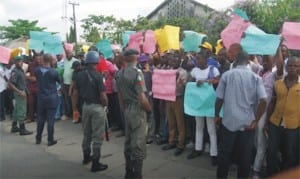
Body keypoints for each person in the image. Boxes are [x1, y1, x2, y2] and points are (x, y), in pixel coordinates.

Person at [215, 51, 267, 178]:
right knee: (245, 157)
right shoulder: (256, 78)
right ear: (248, 62)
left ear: (236, 61)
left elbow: (219, 99)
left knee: (224, 155)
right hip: (247, 123)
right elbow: (264, 100)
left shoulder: (227, 75)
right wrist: (256, 120)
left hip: (229, 121)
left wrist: (216, 115)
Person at [116, 49, 151, 179]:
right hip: (137, 109)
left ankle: (128, 171)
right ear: (135, 57)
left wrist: (125, 109)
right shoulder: (137, 73)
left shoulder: (119, 73)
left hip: (127, 109)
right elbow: (142, 98)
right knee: (139, 143)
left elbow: (119, 95)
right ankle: (137, 175)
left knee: (129, 141)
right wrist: (149, 110)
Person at [72, 51, 108, 172]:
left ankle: (86, 157)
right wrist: (106, 105)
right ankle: (96, 163)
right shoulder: (98, 76)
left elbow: (75, 93)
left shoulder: (79, 75)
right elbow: (103, 96)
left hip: (85, 107)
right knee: (97, 136)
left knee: (86, 134)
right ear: (96, 62)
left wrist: (75, 107)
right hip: (97, 107)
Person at [252, 48, 283, 178]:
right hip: (253, 110)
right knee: (255, 141)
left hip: (264, 112)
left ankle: (256, 171)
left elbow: (281, 67)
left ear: (273, 62)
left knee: (261, 142)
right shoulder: (258, 71)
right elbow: (249, 57)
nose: (264, 62)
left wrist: (279, 47)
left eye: (267, 60)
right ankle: (263, 164)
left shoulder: (274, 74)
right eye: (263, 60)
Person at [266, 56, 300, 176]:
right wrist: (266, 122)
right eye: (290, 65)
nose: (292, 68)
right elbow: (272, 103)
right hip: (275, 123)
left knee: (290, 154)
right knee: (271, 152)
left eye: (296, 66)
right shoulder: (278, 84)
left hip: (293, 126)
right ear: (286, 67)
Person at [187, 52, 220, 166]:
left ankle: (214, 154)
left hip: (210, 104)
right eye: (197, 59)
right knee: (199, 127)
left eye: (200, 59)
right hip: (198, 104)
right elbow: (189, 82)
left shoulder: (213, 70)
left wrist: (207, 82)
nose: (198, 61)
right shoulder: (195, 70)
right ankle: (198, 149)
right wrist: (193, 82)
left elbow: (218, 81)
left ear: (206, 59)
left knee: (211, 129)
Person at [161, 52, 187, 156]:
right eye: (171, 61)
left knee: (180, 122)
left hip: (178, 98)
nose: (173, 62)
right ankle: (172, 141)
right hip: (168, 98)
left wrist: (176, 79)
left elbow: (183, 87)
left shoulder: (183, 72)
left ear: (179, 61)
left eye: (175, 61)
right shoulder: (168, 71)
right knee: (171, 121)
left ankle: (181, 144)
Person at [35, 54, 61, 146]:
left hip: (41, 98)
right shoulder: (54, 72)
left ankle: (38, 138)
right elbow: (59, 82)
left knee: (40, 118)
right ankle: (50, 139)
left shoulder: (37, 70)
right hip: (51, 97)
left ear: (43, 60)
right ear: (50, 60)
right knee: (50, 119)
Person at [8, 56, 33, 135]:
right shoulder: (15, 71)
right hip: (19, 92)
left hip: (22, 91)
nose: (21, 63)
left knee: (16, 110)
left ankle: (14, 126)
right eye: (19, 61)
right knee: (22, 110)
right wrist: (20, 92)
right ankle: (22, 129)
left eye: (22, 61)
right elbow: (11, 84)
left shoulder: (20, 70)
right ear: (15, 62)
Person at [62, 49, 78, 120]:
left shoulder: (75, 61)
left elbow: (75, 75)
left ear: (72, 53)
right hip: (65, 83)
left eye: (69, 53)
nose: (68, 55)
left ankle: (75, 115)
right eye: (67, 53)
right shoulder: (64, 60)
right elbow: (63, 71)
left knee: (73, 101)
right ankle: (69, 114)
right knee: (67, 100)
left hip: (73, 84)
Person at [26, 52, 42, 123]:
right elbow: (27, 73)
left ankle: (40, 117)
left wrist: (35, 78)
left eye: (39, 59)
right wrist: (28, 77)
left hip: (39, 86)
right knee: (30, 103)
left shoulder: (42, 65)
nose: (38, 60)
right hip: (31, 87)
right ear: (34, 59)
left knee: (39, 103)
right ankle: (30, 117)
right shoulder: (30, 65)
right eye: (37, 59)